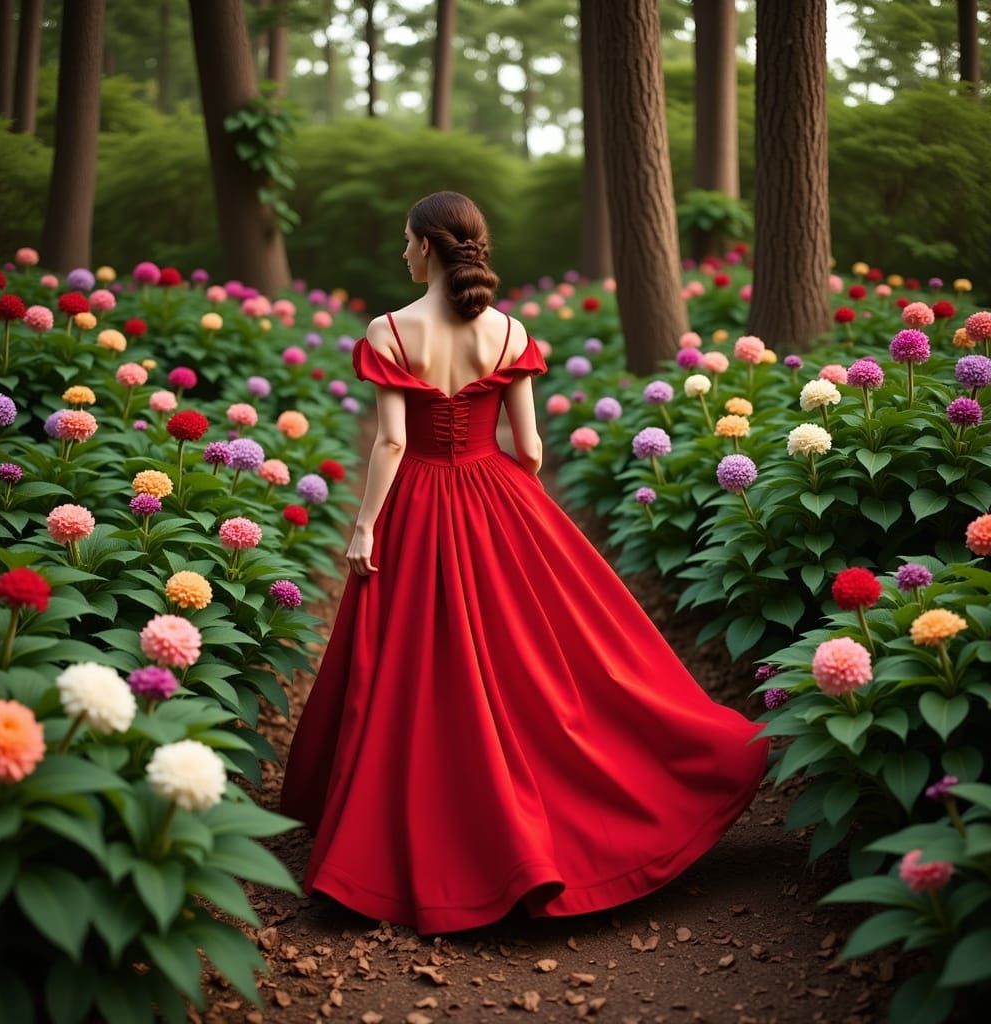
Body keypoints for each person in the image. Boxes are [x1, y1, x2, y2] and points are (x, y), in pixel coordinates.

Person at [279, 190, 770, 937]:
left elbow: (389, 443)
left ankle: (408, 836)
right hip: (496, 491)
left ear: (431, 247)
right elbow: (531, 448)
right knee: (543, 662)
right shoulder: (510, 332)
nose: (402, 253)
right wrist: (509, 511)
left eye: (408, 241)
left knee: (416, 663)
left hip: (416, 500)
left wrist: (367, 525)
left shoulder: (389, 330)